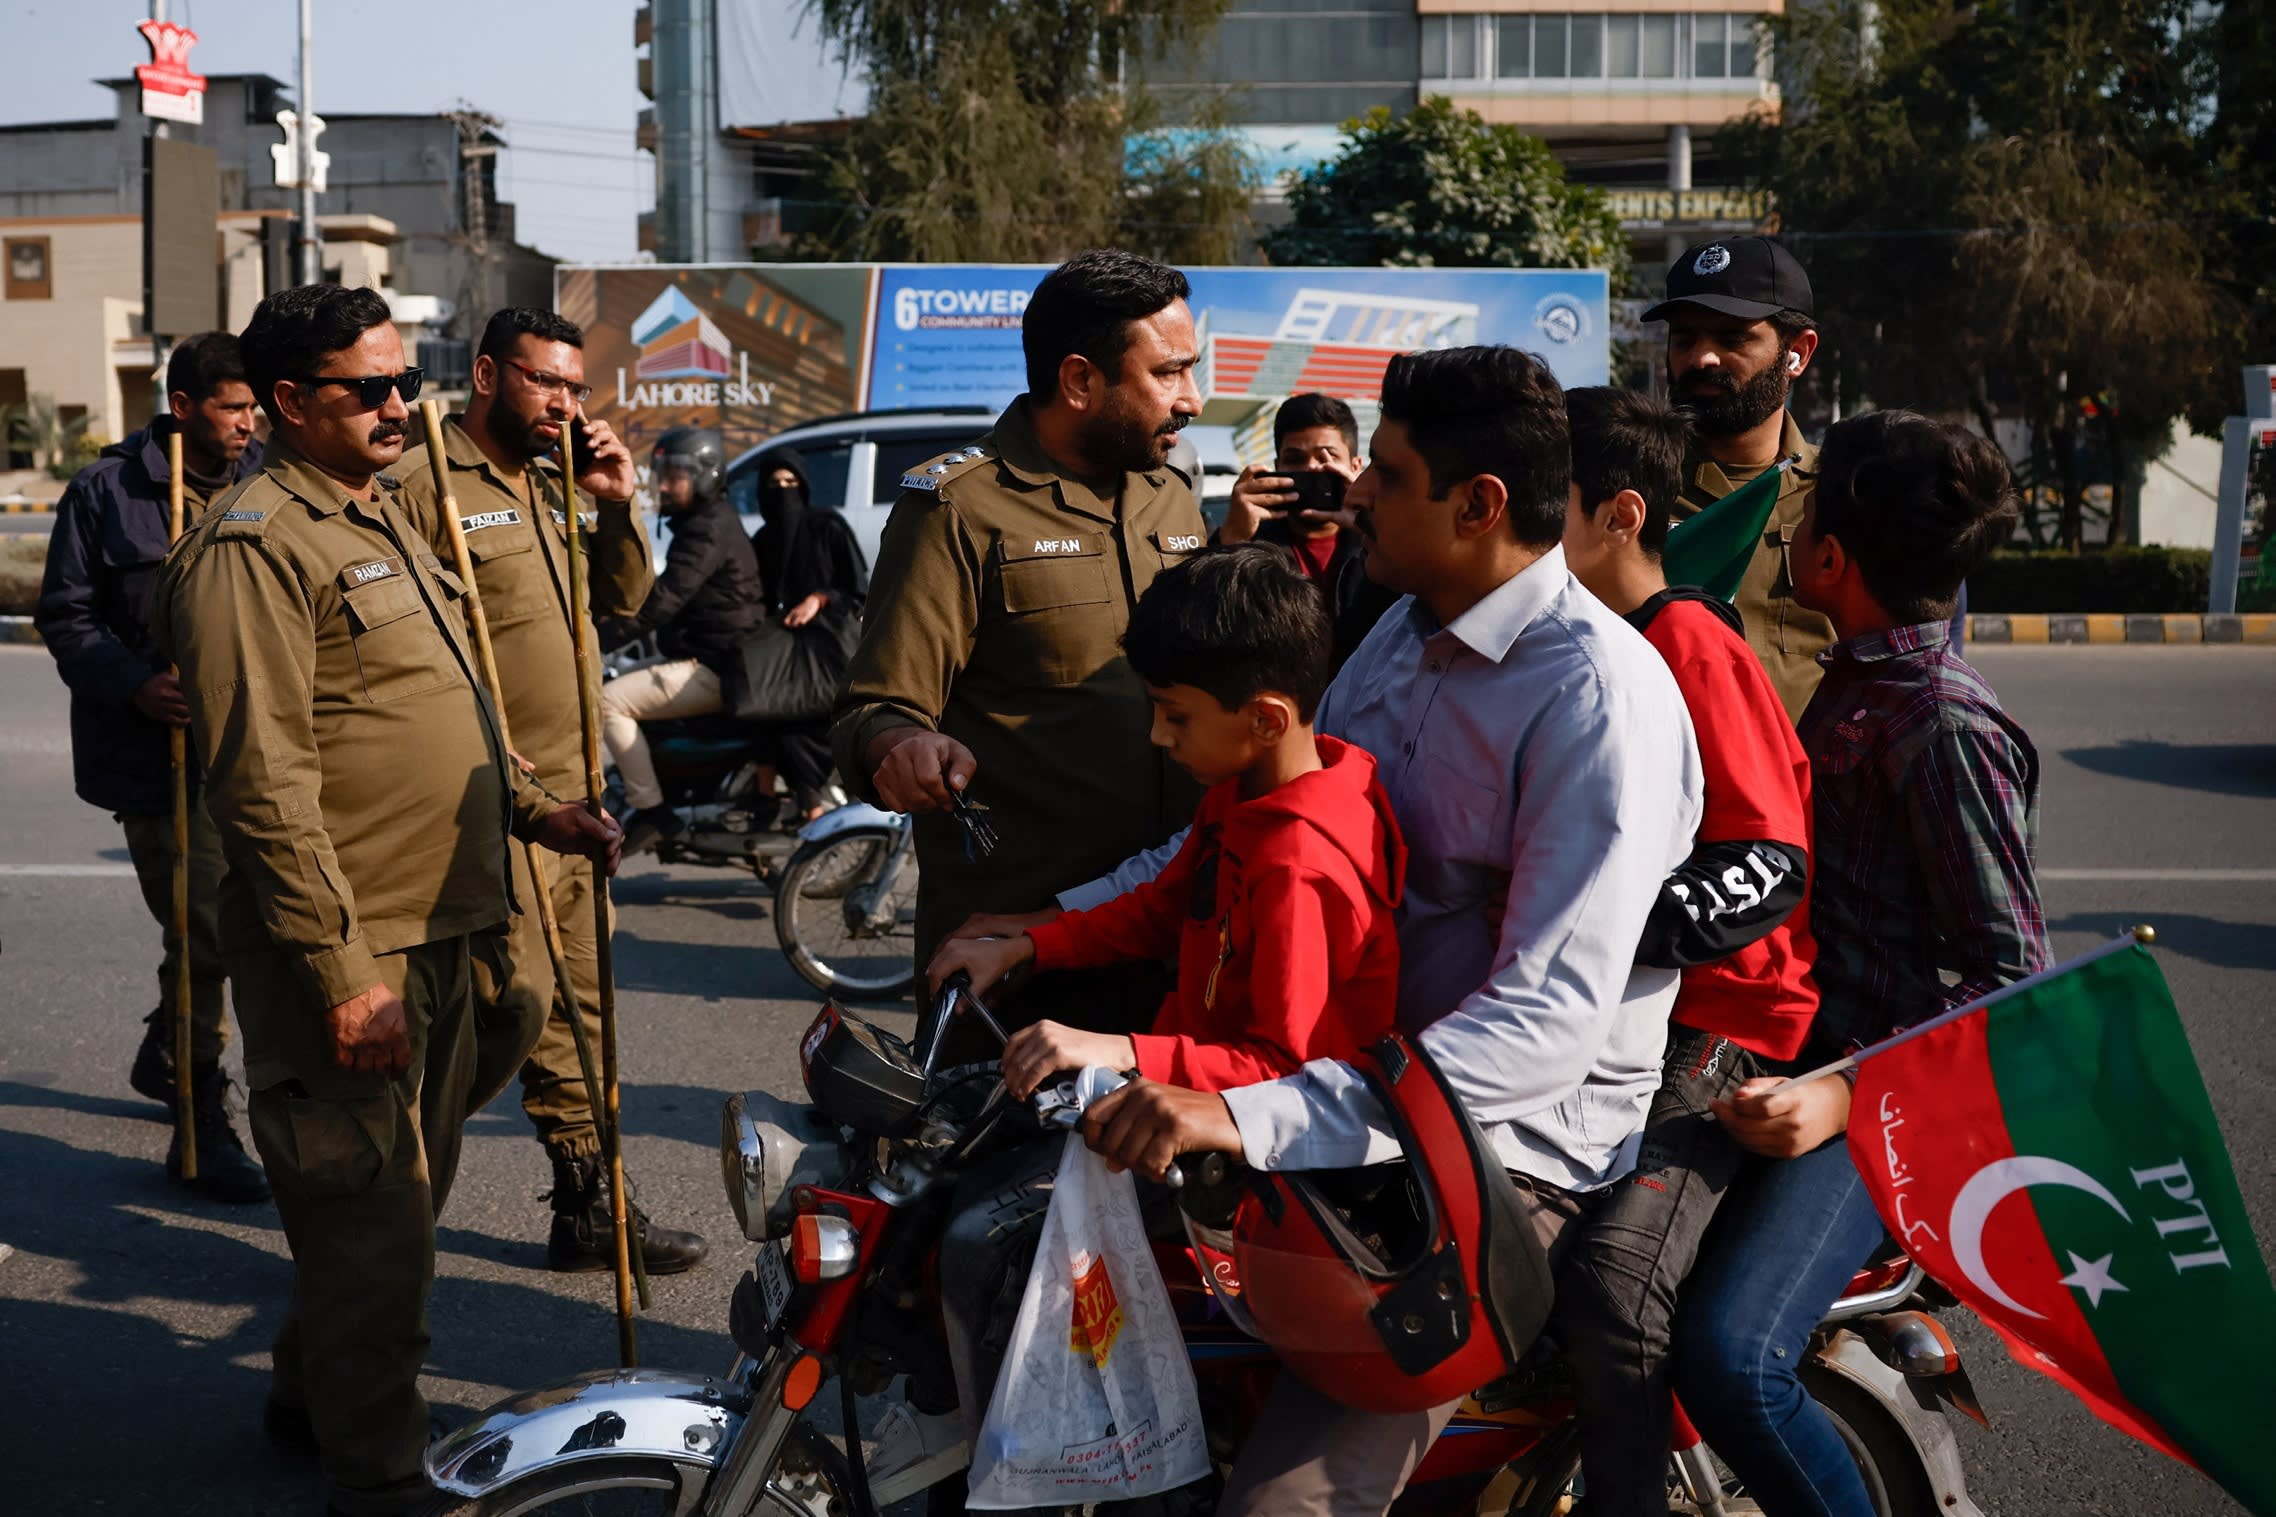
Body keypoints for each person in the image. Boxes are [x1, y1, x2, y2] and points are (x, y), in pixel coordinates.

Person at [1053, 347, 1704, 1517]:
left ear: (1479, 504)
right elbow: (1250, 819)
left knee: (1280, 1505)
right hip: (1340, 1087)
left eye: (1386, 475)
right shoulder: (1399, 633)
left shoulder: (1596, 699)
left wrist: (1249, 1111)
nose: (1352, 493)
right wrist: (1043, 927)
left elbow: (1544, 1027)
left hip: (1492, 1151)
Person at [153, 284, 620, 1516]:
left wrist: (537, 810)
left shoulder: (377, 515)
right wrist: (343, 970)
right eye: (367, 389)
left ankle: (315, 1388)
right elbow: (262, 779)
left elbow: (452, 696)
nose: (398, 405)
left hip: (454, 915)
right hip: (356, 939)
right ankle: (377, 1475)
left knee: (398, 1195)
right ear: (292, 402)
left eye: (403, 379)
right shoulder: (253, 545)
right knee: (378, 1224)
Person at [873, 542, 1407, 1507]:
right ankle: (952, 1406)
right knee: (941, 1147)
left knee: (988, 1237)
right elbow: (1167, 903)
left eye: (1174, 716)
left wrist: (1119, 1047)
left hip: (1256, 1159)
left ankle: (1032, 1468)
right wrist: (1031, 947)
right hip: (1181, 1097)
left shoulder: (1301, 859)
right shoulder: (1245, 793)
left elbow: (1285, 1068)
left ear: (1265, 718)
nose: (1160, 739)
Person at [1668, 410, 2046, 1517]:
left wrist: (1840, 1094)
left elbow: (2010, 986)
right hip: (1781, 1063)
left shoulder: (1939, 721)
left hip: (1873, 1107)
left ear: (1826, 557)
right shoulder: (1854, 680)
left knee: (1729, 1355)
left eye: (1799, 513)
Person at [1552, 386, 1821, 1516]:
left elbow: (1767, 861)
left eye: (1532, 499)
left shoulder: (1686, 641)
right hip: (1619, 1013)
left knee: (1611, 1288)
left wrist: (1597, 941)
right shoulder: (1585, 640)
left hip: (1719, 1026)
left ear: (1616, 514)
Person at [393, 307, 707, 1276]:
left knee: (585, 1010)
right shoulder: (422, 483)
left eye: (576, 388)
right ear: (488, 375)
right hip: (494, 802)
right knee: (513, 1008)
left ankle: (589, 1203)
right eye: (547, 384)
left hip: (580, 796)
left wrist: (617, 503)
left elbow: (618, 605)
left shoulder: (561, 478)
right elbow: (401, 651)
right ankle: (380, 1195)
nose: (567, 405)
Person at [828, 248, 1209, 1008]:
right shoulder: (959, 507)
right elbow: (874, 708)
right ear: (1078, 380)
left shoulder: (1173, 499)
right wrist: (901, 746)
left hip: (1172, 931)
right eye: (1167, 373)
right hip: (1019, 953)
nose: (1192, 399)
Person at [33, 331, 270, 1202]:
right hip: (156, 758)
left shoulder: (266, 483)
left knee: (229, 926)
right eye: (231, 408)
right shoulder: (108, 489)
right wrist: (137, 686)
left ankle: (168, 1048)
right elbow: (65, 616)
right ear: (183, 407)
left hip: (253, 750)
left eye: (253, 407)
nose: (248, 423)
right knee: (203, 930)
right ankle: (200, 1121)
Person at [1646, 235, 1835, 722]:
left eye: (1732, 339)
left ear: (1798, 352)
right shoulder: (1630, 488)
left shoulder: (1841, 495)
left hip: (1802, 793)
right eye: (1685, 339)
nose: (1702, 359)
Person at [596, 426, 762, 854]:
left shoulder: (707, 528)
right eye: (662, 474)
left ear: (706, 475)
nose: (665, 485)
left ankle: (651, 810)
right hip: (706, 655)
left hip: (716, 665)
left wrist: (604, 636)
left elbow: (666, 599)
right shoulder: (706, 521)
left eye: (676, 475)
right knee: (621, 683)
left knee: (608, 701)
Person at [1216, 392, 1400, 668]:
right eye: (1295, 459)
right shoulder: (1250, 541)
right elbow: (1208, 625)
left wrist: (1373, 529)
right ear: (1278, 468)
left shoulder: (1384, 541)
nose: (1311, 468)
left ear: (1355, 467)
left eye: (1327, 457)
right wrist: (1231, 539)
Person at [745, 444, 868, 824]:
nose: (783, 491)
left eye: (791, 482)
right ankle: (765, 797)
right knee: (761, 706)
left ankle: (814, 815)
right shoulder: (764, 539)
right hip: (786, 649)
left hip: (828, 651)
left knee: (801, 726)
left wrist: (817, 599)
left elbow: (857, 588)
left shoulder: (826, 525)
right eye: (775, 484)